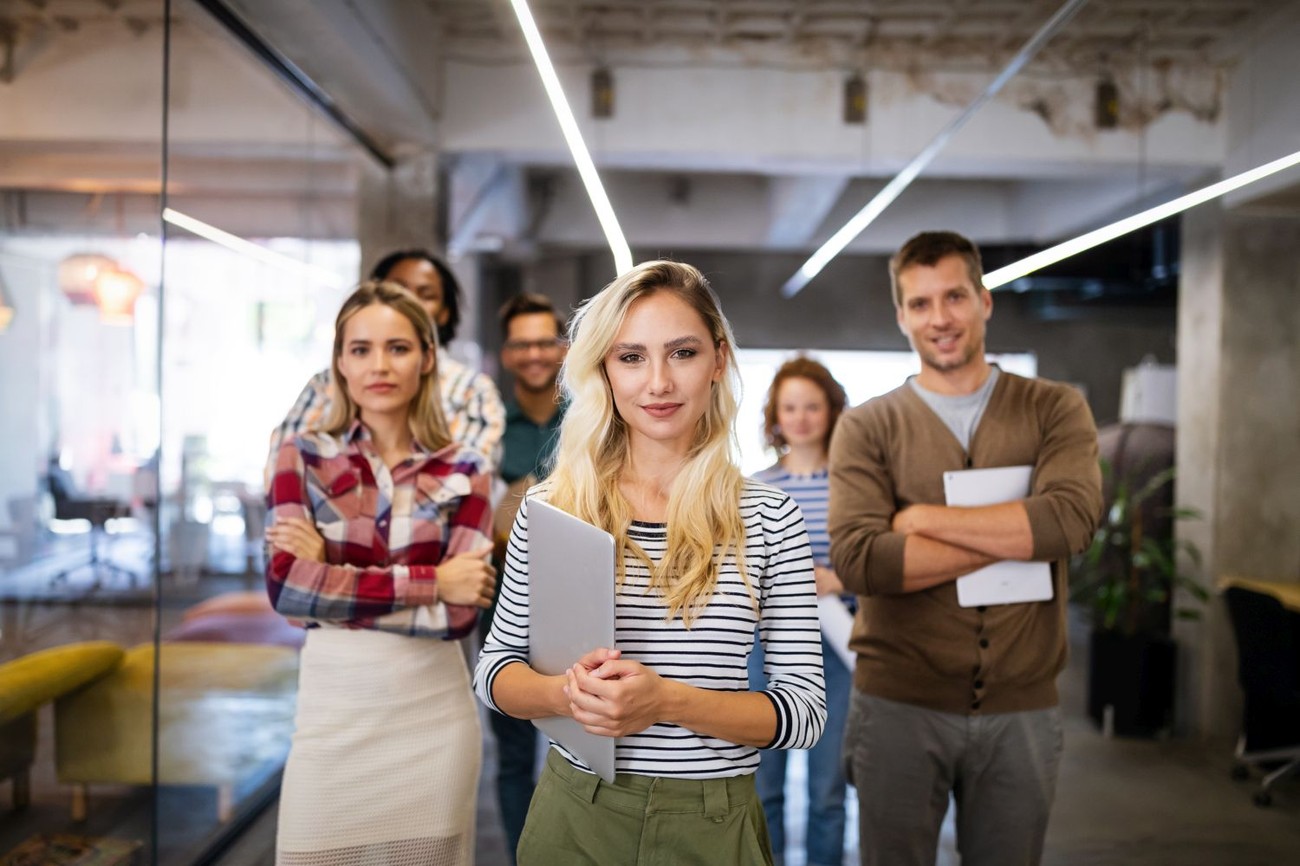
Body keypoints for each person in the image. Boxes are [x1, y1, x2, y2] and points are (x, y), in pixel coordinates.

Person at [472, 260, 826, 866]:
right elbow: (495, 674)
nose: (658, 382)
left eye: (681, 353)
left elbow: (802, 713)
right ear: (604, 371)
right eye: (631, 357)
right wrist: (566, 694)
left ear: (718, 360)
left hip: (714, 822)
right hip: (575, 815)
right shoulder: (555, 508)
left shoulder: (770, 519)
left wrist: (667, 701)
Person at [828, 231, 1103, 866]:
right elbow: (864, 561)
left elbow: (1071, 523)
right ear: (902, 316)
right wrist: (1019, 536)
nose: (940, 318)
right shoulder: (868, 426)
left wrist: (922, 519)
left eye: (954, 296)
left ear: (984, 301)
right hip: (897, 703)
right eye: (920, 304)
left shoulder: (1054, 408)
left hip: (1022, 707)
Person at [265, 280, 497, 866]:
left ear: (426, 357)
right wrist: (430, 581)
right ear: (340, 363)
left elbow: (461, 610)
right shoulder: (301, 454)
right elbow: (289, 591)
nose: (379, 365)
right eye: (360, 349)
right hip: (332, 714)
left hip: (432, 718)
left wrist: (332, 573)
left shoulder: (466, 468)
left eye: (397, 348)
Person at [266, 249, 506, 480]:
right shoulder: (324, 383)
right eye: (397, 290)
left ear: (445, 312)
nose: (379, 368)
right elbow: (285, 475)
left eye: (426, 294)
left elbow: (464, 484)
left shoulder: (472, 389)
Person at [748, 356, 852, 866]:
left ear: (831, 411)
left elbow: (876, 556)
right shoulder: (756, 487)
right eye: (790, 406)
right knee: (762, 787)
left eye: (812, 406)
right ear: (775, 414)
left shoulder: (854, 486)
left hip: (836, 648)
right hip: (763, 652)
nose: (801, 417)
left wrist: (838, 579)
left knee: (828, 792)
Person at [484, 291, 569, 863]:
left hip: (581, 595)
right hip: (505, 599)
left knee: (587, 740)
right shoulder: (488, 427)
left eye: (545, 341)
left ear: (564, 348)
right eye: (522, 343)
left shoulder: (593, 417)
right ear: (506, 353)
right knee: (513, 749)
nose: (535, 353)